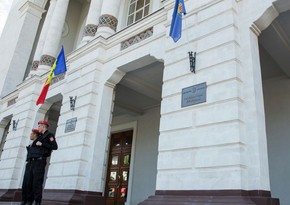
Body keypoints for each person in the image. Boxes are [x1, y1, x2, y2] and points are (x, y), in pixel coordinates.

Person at [21, 120, 58, 205]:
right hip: (32, 162)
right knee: (29, 182)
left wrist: (42, 144)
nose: (38, 128)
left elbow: (55, 146)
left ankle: (37, 202)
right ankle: (28, 201)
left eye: (39, 126)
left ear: (43, 126)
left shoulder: (49, 135)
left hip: (40, 161)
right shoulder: (40, 136)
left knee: (37, 183)